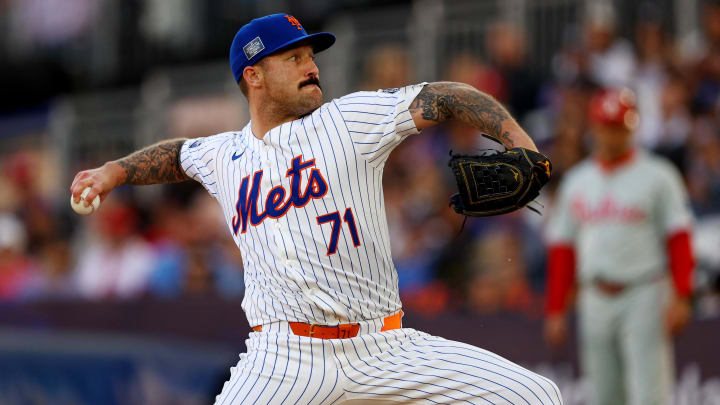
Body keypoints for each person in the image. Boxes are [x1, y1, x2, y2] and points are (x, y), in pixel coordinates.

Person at [71, 13, 561, 404]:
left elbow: (447, 96)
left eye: (311, 54)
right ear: (254, 75)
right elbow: (174, 156)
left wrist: (521, 142)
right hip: (284, 357)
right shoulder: (222, 154)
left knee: (535, 395)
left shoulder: (349, 120)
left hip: (382, 345)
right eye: (294, 57)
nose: (312, 64)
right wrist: (113, 171)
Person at [543, 88, 695, 405]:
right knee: (604, 395)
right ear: (594, 128)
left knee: (648, 395)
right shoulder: (578, 181)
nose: (612, 135)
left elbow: (679, 238)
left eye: (618, 127)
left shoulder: (658, 175)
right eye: (606, 127)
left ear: (631, 128)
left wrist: (681, 294)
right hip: (594, 295)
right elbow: (563, 249)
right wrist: (556, 307)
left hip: (644, 291)